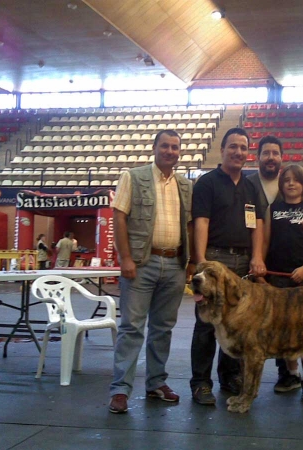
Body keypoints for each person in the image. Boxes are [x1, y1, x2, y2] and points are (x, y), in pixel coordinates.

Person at [108, 129, 194, 414]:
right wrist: (126, 258)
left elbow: (189, 225)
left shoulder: (185, 185)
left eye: (175, 147)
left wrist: (190, 261)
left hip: (174, 264)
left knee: (163, 329)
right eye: (165, 146)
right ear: (154, 148)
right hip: (141, 264)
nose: (171, 151)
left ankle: (156, 383)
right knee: (131, 328)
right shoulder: (133, 177)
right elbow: (119, 216)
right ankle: (120, 390)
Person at [190, 127, 266, 406]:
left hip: (243, 261)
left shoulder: (250, 186)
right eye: (233, 146)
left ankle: (229, 377)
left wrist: (257, 256)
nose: (238, 152)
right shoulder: (207, 183)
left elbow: (257, 225)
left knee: (236, 324)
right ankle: (200, 383)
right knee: (206, 324)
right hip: (215, 260)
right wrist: (201, 264)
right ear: (222, 150)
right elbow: (201, 223)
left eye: (243, 147)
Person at [263, 164, 303, 401]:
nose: (290, 184)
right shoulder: (273, 209)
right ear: (281, 185)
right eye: (286, 180)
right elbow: (266, 242)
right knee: (285, 329)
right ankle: (292, 374)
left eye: (295, 180)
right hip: (278, 278)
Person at [246, 135, 288, 389]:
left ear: (282, 157)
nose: (271, 157)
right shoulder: (248, 184)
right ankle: (237, 375)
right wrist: (255, 257)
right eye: (266, 153)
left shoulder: (291, 183)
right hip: (254, 259)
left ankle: (286, 373)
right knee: (246, 321)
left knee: (285, 320)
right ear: (258, 157)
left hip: (284, 262)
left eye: (275, 153)